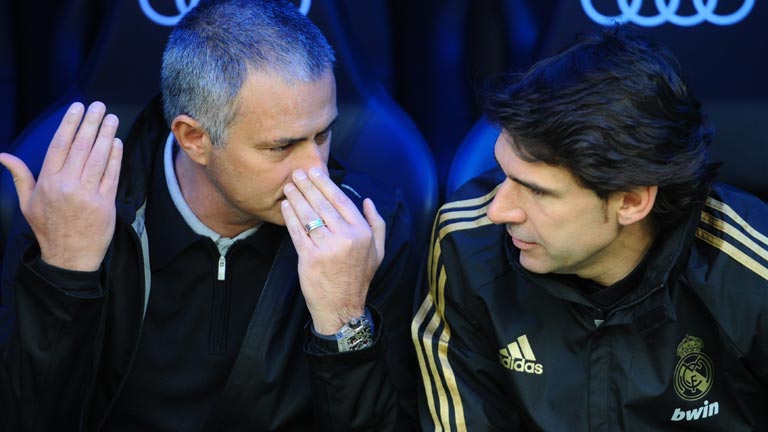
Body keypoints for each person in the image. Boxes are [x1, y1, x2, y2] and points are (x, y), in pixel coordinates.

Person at [0, 0, 418, 430]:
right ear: (194, 139)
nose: (316, 170)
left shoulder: (366, 226)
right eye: (281, 146)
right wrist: (66, 276)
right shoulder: (71, 214)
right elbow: (26, 417)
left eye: (323, 134)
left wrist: (344, 320)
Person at [412, 25, 768, 430]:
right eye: (503, 173)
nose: (498, 211)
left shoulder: (752, 275)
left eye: (537, 191)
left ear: (631, 202)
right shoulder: (466, 243)